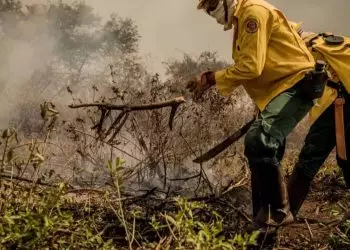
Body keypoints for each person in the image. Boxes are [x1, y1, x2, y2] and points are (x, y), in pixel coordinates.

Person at [186, 0, 324, 231]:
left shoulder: (253, 14)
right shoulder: (243, 18)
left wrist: (211, 79)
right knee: (264, 152)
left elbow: (251, 67)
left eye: (212, 5)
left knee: (258, 141)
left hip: (297, 84)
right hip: (281, 88)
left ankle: (278, 213)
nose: (211, 12)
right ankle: (262, 224)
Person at [287, 22, 350, 218]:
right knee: (346, 160)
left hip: (338, 103)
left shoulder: (305, 50)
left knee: (309, 158)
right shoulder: (322, 41)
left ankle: (283, 215)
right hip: (342, 100)